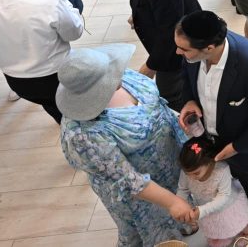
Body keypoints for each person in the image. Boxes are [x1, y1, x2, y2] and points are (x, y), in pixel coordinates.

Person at [57, 44, 192, 246]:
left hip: (171, 162)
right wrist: (172, 202)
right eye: (108, 78)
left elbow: (156, 105)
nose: (116, 73)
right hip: (140, 193)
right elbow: (128, 181)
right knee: (154, 228)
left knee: (181, 204)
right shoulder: (82, 134)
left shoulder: (124, 78)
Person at [176, 136, 248, 246]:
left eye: (196, 173)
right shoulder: (188, 172)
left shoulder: (221, 170)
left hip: (228, 206)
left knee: (237, 224)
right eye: (187, 174)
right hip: (207, 210)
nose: (191, 177)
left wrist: (203, 210)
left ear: (209, 162)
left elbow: (223, 196)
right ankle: (222, 237)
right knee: (217, 229)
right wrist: (179, 204)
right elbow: (182, 189)